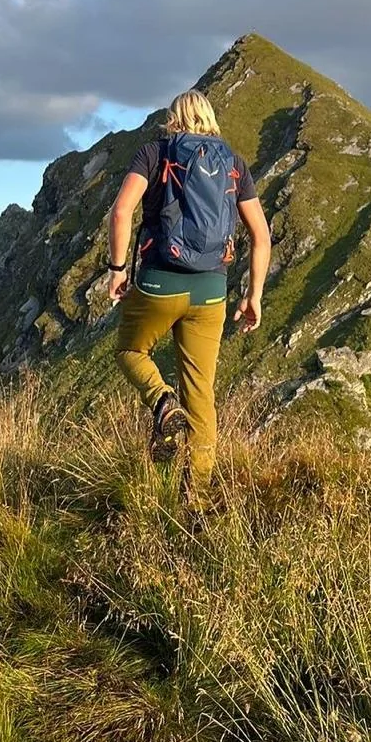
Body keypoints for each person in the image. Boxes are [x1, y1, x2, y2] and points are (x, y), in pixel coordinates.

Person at [106, 88, 271, 497]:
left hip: (160, 280)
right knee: (201, 396)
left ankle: (161, 402)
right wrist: (254, 294)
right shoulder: (234, 164)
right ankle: (195, 500)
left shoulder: (155, 152)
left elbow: (122, 210)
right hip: (212, 290)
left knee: (130, 350)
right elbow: (261, 236)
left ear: (173, 118)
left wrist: (117, 269)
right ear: (210, 118)